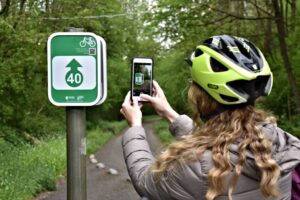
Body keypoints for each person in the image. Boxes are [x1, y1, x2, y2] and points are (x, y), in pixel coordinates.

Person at [120, 35, 300, 200]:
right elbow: (224, 142)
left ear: (202, 95)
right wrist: (168, 113)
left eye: (193, 84)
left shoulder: (196, 167)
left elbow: (145, 181)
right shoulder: (280, 141)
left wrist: (135, 126)